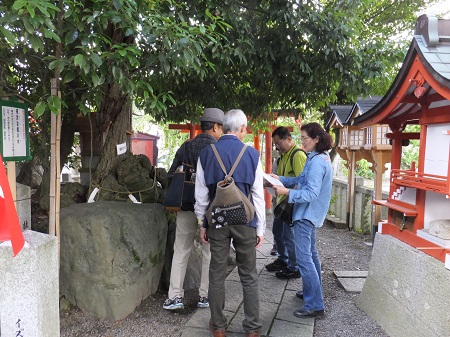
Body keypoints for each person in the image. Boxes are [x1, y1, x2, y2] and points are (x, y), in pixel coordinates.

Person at [195, 109, 266, 337]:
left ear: (223, 127)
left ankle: (218, 327)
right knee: (248, 274)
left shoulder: (206, 154)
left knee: (216, 273)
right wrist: (261, 228)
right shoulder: (252, 154)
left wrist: (201, 224)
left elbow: (201, 196)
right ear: (242, 129)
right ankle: (252, 329)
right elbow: (258, 196)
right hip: (245, 221)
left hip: (217, 221)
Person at [163, 108, 224, 311]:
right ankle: (205, 297)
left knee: (181, 250)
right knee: (209, 252)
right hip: (211, 209)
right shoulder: (219, 148)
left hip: (186, 205)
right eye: (221, 128)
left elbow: (171, 174)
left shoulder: (187, 146)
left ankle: (175, 297)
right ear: (215, 126)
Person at [271, 122, 332, 318]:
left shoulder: (316, 162)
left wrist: (287, 192)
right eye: (301, 138)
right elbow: (300, 180)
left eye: (304, 138)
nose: (302, 141)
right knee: (311, 256)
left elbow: (311, 192)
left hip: (306, 214)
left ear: (316, 139)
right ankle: (311, 293)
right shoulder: (319, 158)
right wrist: (279, 179)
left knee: (304, 260)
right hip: (311, 214)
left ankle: (315, 304)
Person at [265, 126, 306, 279]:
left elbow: (301, 182)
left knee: (290, 237)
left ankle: (294, 267)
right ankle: (283, 259)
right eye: (275, 144)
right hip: (283, 202)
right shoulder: (283, 156)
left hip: (291, 203)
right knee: (277, 232)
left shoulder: (298, 155)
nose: (277, 147)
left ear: (289, 139)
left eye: (278, 143)